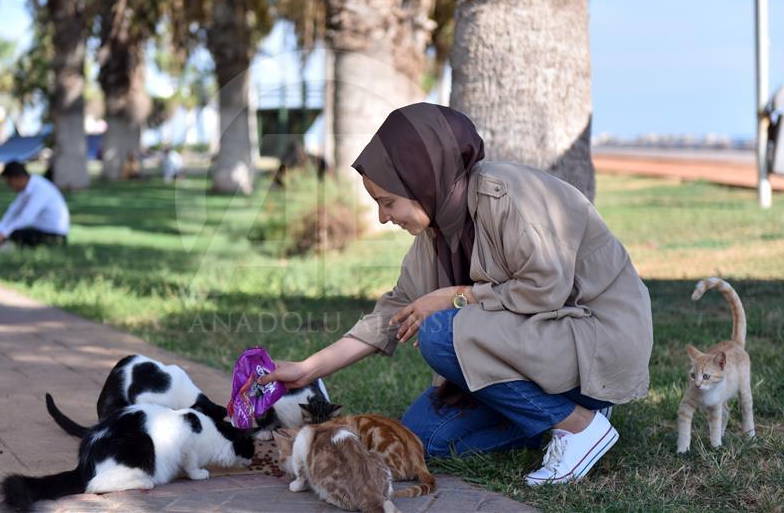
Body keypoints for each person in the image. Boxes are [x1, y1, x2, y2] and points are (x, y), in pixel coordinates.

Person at [260, 103, 653, 486]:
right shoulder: (435, 232)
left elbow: (545, 289)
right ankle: (571, 413)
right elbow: (390, 315)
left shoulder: (506, 196)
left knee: (438, 332)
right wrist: (307, 370)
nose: (383, 217)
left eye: (388, 202)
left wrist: (458, 296)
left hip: (593, 339)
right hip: (539, 347)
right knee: (423, 437)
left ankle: (578, 426)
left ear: (421, 180)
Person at [0, 161, 70, 249]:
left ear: (17, 178)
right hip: (41, 231)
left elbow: (26, 218)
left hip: (55, 236)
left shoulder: (40, 189)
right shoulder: (27, 188)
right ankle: (1, 246)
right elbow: (13, 210)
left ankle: (3, 249)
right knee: (13, 233)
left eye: (9, 183)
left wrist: (3, 235)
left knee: (14, 234)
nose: (9, 186)